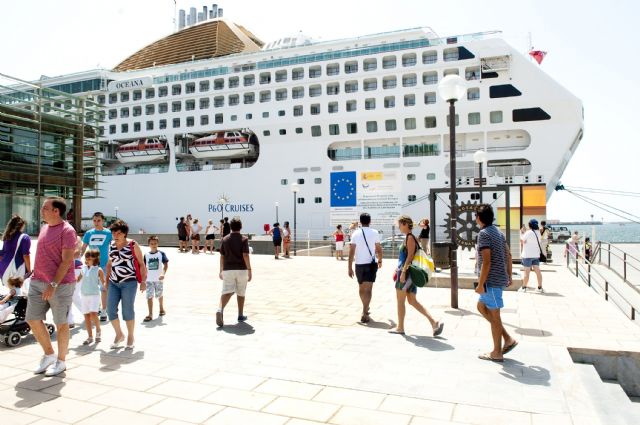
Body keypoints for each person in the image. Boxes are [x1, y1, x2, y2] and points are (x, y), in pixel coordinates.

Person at [26, 196, 77, 376]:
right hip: (37, 281)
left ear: (56, 211)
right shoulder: (44, 228)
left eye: (45, 208)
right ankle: (49, 355)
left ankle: (61, 361)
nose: (42, 210)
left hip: (60, 285)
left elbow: (67, 261)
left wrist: (53, 285)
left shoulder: (67, 231)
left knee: (61, 324)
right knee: (32, 319)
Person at [474, 204, 517, 362]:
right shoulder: (498, 232)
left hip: (490, 281)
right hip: (497, 279)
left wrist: (480, 283)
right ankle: (507, 338)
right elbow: (509, 254)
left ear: (479, 218)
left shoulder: (484, 234)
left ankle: (497, 352)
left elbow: (486, 262)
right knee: (480, 307)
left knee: (495, 316)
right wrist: (509, 275)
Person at [390, 215, 443, 336]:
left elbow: (409, 257)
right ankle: (434, 323)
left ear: (404, 224)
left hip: (406, 273)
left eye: (399, 224)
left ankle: (400, 327)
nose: (399, 227)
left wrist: (402, 272)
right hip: (408, 273)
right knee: (412, 301)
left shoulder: (409, 238)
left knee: (400, 301)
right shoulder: (410, 237)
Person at [106, 220, 147, 350]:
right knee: (110, 310)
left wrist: (144, 281)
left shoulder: (132, 245)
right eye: (114, 232)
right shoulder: (111, 244)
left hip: (129, 282)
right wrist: (106, 281)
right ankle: (119, 335)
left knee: (127, 310)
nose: (116, 235)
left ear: (124, 234)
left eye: (119, 233)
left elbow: (141, 263)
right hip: (113, 282)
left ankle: (130, 336)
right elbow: (110, 264)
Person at [216, 217, 252, 327]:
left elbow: (222, 256)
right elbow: (245, 255)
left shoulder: (225, 239)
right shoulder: (244, 239)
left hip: (227, 269)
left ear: (230, 227)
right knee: (241, 292)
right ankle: (240, 315)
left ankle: (220, 309)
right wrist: (250, 270)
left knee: (226, 291)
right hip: (241, 269)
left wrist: (221, 270)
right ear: (240, 227)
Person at [348, 213, 382, 323]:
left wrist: (349, 267)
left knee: (362, 289)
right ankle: (364, 310)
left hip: (359, 264)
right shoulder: (375, 232)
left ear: (360, 221)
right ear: (370, 221)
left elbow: (351, 251)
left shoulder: (355, 233)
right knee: (369, 289)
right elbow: (379, 249)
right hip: (371, 264)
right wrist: (380, 260)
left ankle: (365, 309)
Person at [80, 212, 113, 321]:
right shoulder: (89, 233)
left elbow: (113, 247)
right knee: (93, 289)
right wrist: (79, 259)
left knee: (104, 288)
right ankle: (95, 308)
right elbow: (83, 248)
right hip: (91, 266)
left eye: (98, 220)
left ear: (103, 221)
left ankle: (104, 311)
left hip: (104, 264)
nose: (96, 222)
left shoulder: (108, 233)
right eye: (94, 220)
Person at [77, 249, 104, 345]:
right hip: (84, 295)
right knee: (86, 316)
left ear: (95, 259)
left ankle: (98, 331)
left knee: (93, 314)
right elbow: (78, 279)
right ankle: (90, 336)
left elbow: (103, 283)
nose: (87, 260)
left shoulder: (98, 270)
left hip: (94, 295)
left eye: (89, 258)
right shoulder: (83, 268)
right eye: (86, 258)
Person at [0, 215, 31, 286]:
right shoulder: (24, 237)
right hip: (17, 269)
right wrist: (29, 271)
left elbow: (2, 253)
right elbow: (26, 255)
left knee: (11, 291)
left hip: (4, 270)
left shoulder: (7, 237)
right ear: (21, 225)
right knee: (18, 292)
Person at [144, 235, 169, 321]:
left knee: (159, 295)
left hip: (158, 279)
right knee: (149, 296)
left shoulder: (161, 254)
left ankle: (161, 308)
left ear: (158, 244)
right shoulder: (146, 255)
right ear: (149, 245)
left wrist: (163, 274)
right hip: (149, 280)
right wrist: (143, 279)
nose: (153, 245)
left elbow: (165, 265)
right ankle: (150, 314)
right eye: (152, 243)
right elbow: (143, 267)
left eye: (155, 243)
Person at [520, 219, 544, 293]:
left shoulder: (528, 232)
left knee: (526, 272)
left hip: (527, 255)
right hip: (536, 255)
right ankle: (540, 287)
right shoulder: (538, 233)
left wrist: (521, 233)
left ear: (530, 225)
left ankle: (524, 287)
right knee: (538, 271)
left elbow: (522, 241)